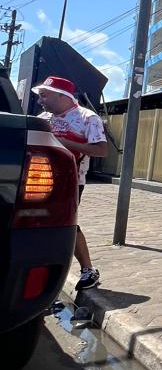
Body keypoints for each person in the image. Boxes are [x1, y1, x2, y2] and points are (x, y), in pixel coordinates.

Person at [33, 75, 108, 291]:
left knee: (65, 223)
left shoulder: (87, 118)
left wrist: (64, 142)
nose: (40, 100)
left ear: (62, 96)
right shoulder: (42, 118)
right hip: (37, 180)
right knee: (37, 222)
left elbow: (102, 150)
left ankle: (88, 270)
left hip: (70, 181)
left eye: (44, 95)